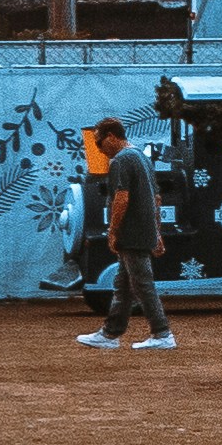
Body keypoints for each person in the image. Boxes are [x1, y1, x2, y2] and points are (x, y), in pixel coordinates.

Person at [71, 116, 171, 351]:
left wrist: (113, 231)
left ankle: (162, 332)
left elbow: (121, 198)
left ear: (112, 137)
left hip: (131, 231)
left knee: (142, 284)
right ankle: (110, 334)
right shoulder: (142, 158)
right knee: (124, 285)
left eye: (99, 143)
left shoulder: (120, 161)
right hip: (144, 230)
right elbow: (157, 198)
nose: (98, 149)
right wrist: (157, 232)